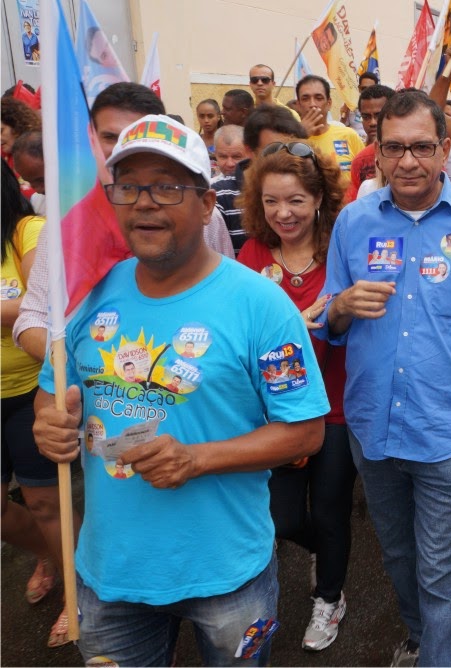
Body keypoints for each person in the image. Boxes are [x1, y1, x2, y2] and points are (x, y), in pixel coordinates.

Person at [32, 114, 328, 666]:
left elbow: (305, 432)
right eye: (128, 187)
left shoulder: (262, 305)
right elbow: (53, 392)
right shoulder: (88, 295)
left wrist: (196, 459)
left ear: (207, 203)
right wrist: (49, 422)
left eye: (167, 186)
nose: (144, 203)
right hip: (110, 574)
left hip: (228, 574)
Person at [316, 90, 451, 667]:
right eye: (394, 148)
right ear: (378, 152)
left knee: (439, 570)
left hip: (446, 432)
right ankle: (418, 636)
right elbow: (327, 316)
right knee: (396, 556)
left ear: (443, 149)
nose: (407, 161)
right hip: (372, 428)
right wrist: (340, 308)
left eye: (420, 147)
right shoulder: (354, 222)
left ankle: (439, 656)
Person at [13, 82, 234, 366]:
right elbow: (32, 319)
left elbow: (227, 295)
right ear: (91, 139)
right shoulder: (65, 226)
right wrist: (85, 367)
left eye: (135, 133)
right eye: (110, 136)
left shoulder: (201, 216)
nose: (122, 145)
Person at [237, 139, 357, 652]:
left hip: (336, 404)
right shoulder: (252, 254)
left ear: (319, 199)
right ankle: (325, 553)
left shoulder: (343, 249)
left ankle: (330, 596)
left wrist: (334, 317)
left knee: (330, 511)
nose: (283, 213)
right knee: (283, 519)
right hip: (275, 411)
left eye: (295, 200)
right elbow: (238, 329)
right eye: (271, 201)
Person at [1, 161, 78, 648]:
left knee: (47, 501)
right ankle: (49, 552)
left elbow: (38, 308)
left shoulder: (27, 231)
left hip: (30, 388)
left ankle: (78, 589)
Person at [213, 104, 309, 252]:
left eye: (293, 150)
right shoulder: (219, 196)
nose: (284, 159)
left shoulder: (309, 188)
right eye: (274, 150)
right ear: (249, 151)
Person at [298, 75, 364, 176]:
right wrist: (300, 136)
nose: (312, 104)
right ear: (298, 105)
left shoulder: (349, 135)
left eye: (318, 98)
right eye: (305, 99)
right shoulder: (289, 139)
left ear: (329, 103)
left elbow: (365, 173)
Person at [344, 85, 396, 204]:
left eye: (378, 115)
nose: (372, 122)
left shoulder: (417, 152)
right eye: (366, 117)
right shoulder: (361, 161)